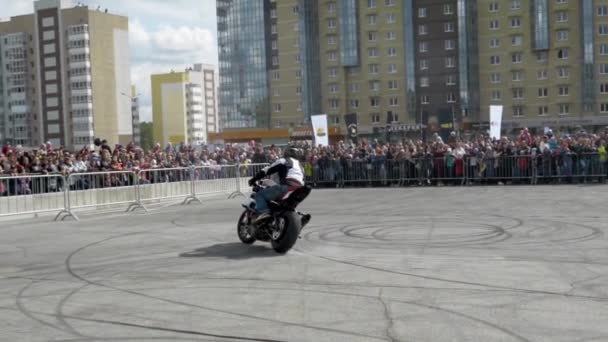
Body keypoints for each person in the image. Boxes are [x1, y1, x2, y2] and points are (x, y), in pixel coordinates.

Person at [248, 146, 305, 224]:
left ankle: (264, 213)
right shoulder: (301, 167)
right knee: (286, 205)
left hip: (287, 186)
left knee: (259, 195)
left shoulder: (284, 161)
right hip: (301, 190)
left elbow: (267, 170)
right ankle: (298, 218)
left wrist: (253, 179)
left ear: (286, 153)